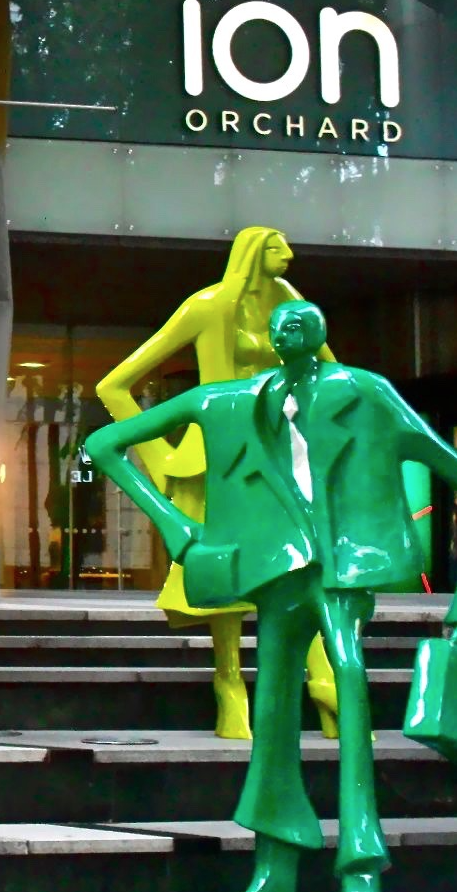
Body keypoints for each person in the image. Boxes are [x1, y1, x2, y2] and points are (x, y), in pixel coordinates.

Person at [85, 301, 457, 892]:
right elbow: (103, 445)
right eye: (280, 325)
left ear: (320, 333)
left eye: (300, 322)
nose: (287, 331)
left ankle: (360, 871)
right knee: (274, 707)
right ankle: (274, 867)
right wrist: (175, 527)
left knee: (350, 683)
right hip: (277, 575)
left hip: (339, 573)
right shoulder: (229, 402)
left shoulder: (365, 395)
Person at [95, 226, 342, 740]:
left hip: (281, 453)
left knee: (304, 564)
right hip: (215, 458)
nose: (289, 254)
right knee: (226, 573)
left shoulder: (288, 302)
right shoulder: (207, 306)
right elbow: (115, 385)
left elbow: (334, 378)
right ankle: (230, 682)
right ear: (253, 253)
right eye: (276, 247)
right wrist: (162, 459)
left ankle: (322, 677)